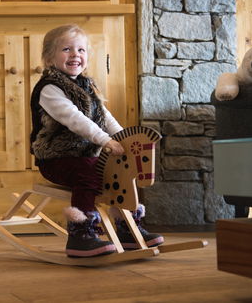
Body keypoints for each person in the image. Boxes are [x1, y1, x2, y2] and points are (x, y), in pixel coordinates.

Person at [30, 24, 164, 258]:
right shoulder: (49, 88)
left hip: (86, 156)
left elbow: (105, 116)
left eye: (81, 50)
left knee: (119, 170)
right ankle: (80, 234)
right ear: (49, 58)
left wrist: (125, 139)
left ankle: (127, 228)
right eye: (66, 49)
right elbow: (75, 120)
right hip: (56, 158)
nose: (75, 55)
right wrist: (105, 141)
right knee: (88, 173)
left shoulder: (86, 85)